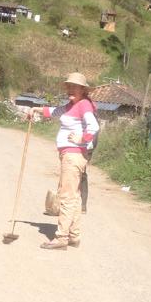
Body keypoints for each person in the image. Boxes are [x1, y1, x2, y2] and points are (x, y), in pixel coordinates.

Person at [27, 72, 99, 250]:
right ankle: (74, 236)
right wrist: (35, 109)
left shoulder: (83, 105)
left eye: (74, 87)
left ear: (83, 90)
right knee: (74, 197)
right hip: (71, 156)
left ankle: (61, 238)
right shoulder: (71, 106)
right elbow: (54, 112)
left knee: (66, 196)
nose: (70, 90)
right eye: (69, 86)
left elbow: (94, 126)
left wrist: (83, 138)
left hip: (73, 156)